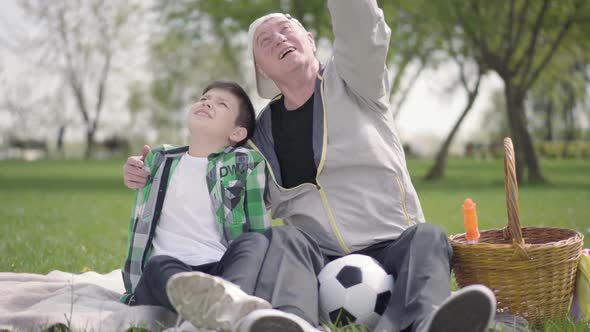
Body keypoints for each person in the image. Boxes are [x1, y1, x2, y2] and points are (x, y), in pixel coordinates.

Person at [125, 1, 498, 332]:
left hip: (392, 242)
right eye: (266, 43)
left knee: (429, 235)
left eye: (285, 31)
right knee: (281, 238)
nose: (278, 40)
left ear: (310, 39)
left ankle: (423, 322)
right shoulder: (260, 136)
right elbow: (210, 171)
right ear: (263, 71)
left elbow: (361, 28)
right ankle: (292, 323)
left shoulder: (357, 83)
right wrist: (151, 170)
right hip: (317, 259)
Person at [120, 80, 324, 332]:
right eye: (205, 98)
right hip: (167, 277)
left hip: (223, 272)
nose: (207, 103)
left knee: (255, 242)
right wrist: (132, 169)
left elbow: (283, 169)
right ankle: (218, 317)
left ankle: (224, 310)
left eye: (221, 104)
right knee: (157, 265)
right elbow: (136, 172)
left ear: (238, 133)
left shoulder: (245, 163)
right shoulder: (160, 160)